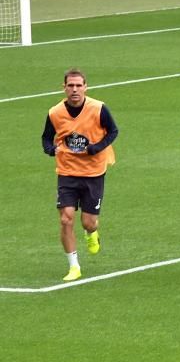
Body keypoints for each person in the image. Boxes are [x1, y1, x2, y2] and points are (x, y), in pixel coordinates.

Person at [41, 69, 119, 282]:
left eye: (78, 85)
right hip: (67, 172)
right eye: (70, 86)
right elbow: (47, 138)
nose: (74, 90)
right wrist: (50, 149)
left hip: (93, 172)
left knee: (88, 222)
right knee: (66, 219)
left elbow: (113, 131)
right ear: (64, 87)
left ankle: (91, 233)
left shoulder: (99, 108)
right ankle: (74, 266)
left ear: (85, 87)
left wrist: (97, 147)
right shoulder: (55, 112)